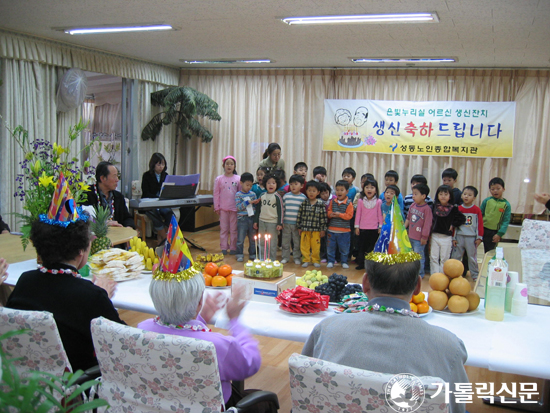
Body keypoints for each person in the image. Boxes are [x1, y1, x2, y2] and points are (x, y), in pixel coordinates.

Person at [302, 255, 468, 413]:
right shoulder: (449, 346)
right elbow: (457, 406)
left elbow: (307, 386)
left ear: (365, 283)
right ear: (418, 286)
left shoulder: (326, 330)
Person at [137, 218, 264, 410]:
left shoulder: (141, 330)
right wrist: (235, 321)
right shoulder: (216, 345)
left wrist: (200, 317)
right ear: (198, 302)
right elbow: (251, 363)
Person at [7, 178, 122, 372]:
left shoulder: (25, 282)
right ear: (80, 252)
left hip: (28, 387)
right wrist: (102, 295)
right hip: (77, 392)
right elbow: (122, 343)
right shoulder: (90, 296)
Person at [82, 161, 135, 228]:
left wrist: (128, 227)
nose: (117, 180)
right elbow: (82, 218)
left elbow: (128, 218)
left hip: (117, 235)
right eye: (114, 176)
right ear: (102, 178)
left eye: (117, 176)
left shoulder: (118, 197)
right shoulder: (86, 195)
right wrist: (103, 223)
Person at [430, 185, 466, 274]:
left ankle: (442, 276)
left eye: (445, 194)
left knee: (444, 258)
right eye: (440, 194)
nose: (443, 196)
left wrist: (453, 224)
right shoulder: (434, 206)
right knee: (434, 257)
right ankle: (435, 275)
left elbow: (462, 218)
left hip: (446, 237)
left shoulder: (453, 208)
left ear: (450, 196)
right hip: (434, 235)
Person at [452, 186, 484, 281]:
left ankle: (475, 275)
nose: (466, 196)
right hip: (459, 237)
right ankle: (454, 274)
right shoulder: (458, 208)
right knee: (456, 256)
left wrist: (479, 237)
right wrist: (454, 238)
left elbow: (480, 224)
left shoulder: (476, 210)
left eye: (469, 195)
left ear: (474, 198)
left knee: (472, 257)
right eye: (464, 194)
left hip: (471, 238)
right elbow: (455, 224)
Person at [141, 153, 173, 244]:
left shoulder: (166, 175)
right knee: (154, 213)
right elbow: (146, 192)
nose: (161, 167)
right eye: (159, 164)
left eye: (163, 164)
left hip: (162, 203)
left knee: (169, 213)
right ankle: (164, 237)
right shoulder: (146, 175)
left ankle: (161, 235)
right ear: (153, 164)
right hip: (149, 202)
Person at [297, 181, 327, 268]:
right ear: (306, 191)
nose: (311, 193)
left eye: (314, 191)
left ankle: (315, 260)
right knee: (304, 246)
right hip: (305, 229)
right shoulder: (304, 203)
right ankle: (305, 259)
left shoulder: (321, 204)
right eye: (309, 190)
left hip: (316, 230)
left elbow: (323, 218)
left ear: (318, 192)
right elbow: (300, 215)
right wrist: (299, 227)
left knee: (316, 246)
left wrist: (323, 229)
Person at [354, 178, 383, 270]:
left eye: (372, 187)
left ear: (376, 190)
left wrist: (380, 226)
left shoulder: (378, 201)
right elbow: (358, 214)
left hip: (374, 229)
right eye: (367, 187)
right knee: (361, 247)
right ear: (363, 189)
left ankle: (372, 265)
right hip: (363, 228)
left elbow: (380, 215)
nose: (369, 189)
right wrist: (357, 227)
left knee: (372, 248)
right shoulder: (361, 201)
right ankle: (361, 264)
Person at [405, 183, 433, 278]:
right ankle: (411, 272)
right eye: (413, 194)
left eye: (416, 194)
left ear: (423, 196)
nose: (413, 196)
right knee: (411, 256)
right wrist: (404, 229)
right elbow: (408, 219)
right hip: (410, 236)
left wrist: (424, 237)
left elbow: (427, 224)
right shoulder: (412, 205)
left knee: (419, 257)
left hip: (419, 238)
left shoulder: (427, 209)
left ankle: (419, 274)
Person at [214, 156, 240, 254]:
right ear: (223, 165)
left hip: (234, 209)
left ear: (234, 166)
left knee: (234, 229)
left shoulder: (238, 179)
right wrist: (217, 206)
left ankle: (233, 247)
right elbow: (216, 194)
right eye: (227, 164)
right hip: (223, 209)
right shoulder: (219, 179)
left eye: (231, 164)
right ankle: (224, 247)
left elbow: (240, 193)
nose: (229, 166)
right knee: (224, 229)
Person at [253, 174, 283, 260]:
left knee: (272, 242)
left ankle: (272, 259)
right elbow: (258, 209)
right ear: (265, 184)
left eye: (273, 183)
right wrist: (256, 221)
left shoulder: (277, 197)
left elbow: (281, 211)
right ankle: (262, 258)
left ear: (277, 185)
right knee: (261, 241)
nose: (271, 185)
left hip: (273, 223)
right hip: (262, 221)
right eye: (269, 183)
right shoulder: (262, 195)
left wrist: (280, 223)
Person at [327, 180, 354, 269]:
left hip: (344, 231)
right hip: (332, 230)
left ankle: (344, 261)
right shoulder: (333, 201)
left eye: (341, 190)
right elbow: (328, 211)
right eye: (337, 190)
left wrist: (339, 215)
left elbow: (349, 216)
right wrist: (330, 214)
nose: (339, 192)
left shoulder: (349, 203)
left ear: (347, 191)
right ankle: (330, 261)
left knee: (344, 248)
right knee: (330, 247)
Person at [481, 177, 511, 253]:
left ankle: (489, 264)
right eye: (492, 189)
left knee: (490, 251)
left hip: (494, 232)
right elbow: (480, 214)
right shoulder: (487, 201)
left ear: (503, 189)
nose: (495, 191)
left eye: (498, 188)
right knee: (472, 248)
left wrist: (499, 234)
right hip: (482, 228)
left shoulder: (506, 205)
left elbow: (506, 221)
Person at [282, 175, 306, 265]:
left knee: (297, 242)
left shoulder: (303, 198)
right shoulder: (286, 197)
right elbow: (283, 210)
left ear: (302, 186)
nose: (293, 186)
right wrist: (282, 222)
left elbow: (304, 213)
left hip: (297, 225)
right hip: (286, 223)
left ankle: (296, 257)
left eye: (296, 184)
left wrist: (301, 225)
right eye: (291, 184)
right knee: (285, 241)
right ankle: (285, 257)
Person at [235, 172, 258, 262]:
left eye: (251, 185)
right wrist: (248, 202)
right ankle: (239, 254)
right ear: (241, 183)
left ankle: (252, 253)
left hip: (251, 218)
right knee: (240, 238)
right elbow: (238, 207)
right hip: (242, 219)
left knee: (252, 238)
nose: (249, 187)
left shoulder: (253, 194)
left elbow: (255, 208)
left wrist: (256, 203)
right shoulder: (238, 195)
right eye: (247, 185)